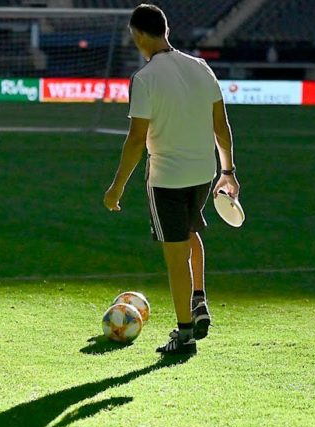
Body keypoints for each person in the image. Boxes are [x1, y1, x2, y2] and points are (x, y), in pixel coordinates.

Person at [103, 4, 240, 355]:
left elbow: (136, 140)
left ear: (140, 35)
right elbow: (221, 127)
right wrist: (228, 173)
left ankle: (184, 335)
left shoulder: (145, 79)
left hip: (167, 178)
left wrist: (117, 186)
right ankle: (198, 300)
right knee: (192, 234)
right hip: (202, 174)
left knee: (175, 255)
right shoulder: (201, 68)